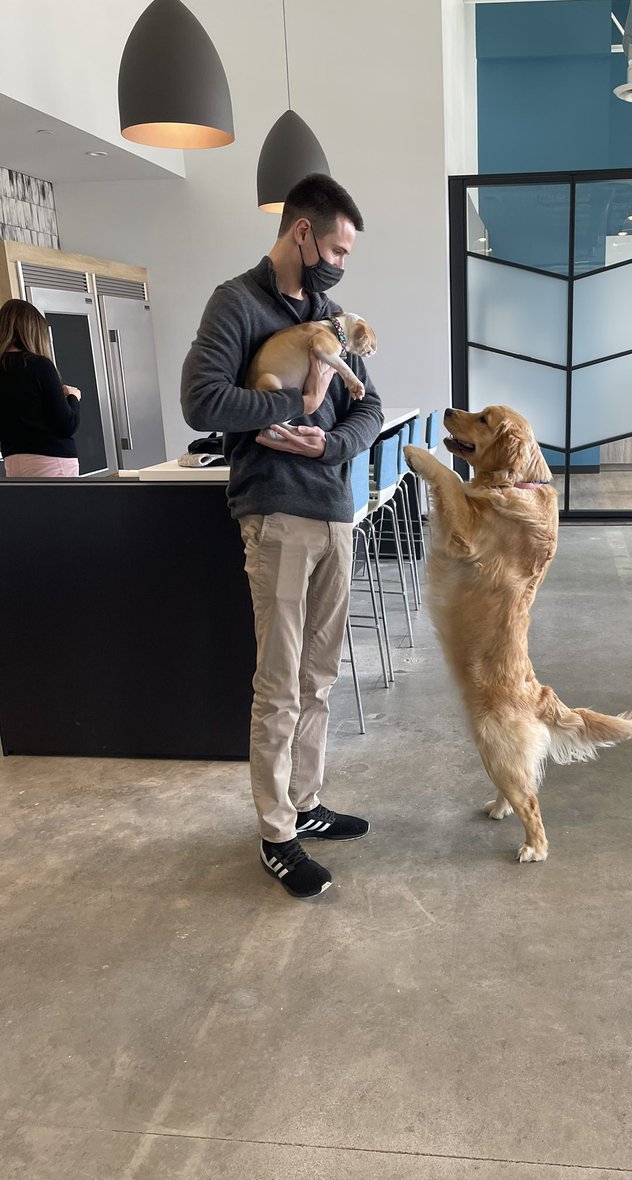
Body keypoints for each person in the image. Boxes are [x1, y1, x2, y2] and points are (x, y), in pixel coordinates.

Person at [181, 174, 383, 900]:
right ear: (302, 233)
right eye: (335, 247)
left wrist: (327, 446)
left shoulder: (330, 313)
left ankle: (305, 802)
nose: (339, 263)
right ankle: (276, 833)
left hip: (335, 510)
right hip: (274, 513)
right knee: (281, 685)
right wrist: (293, 403)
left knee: (319, 678)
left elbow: (372, 405)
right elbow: (200, 399)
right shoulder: (235, 303)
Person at [0, 299, 81, 477]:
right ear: (34, 331)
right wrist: (73, 397)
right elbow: (68, 424)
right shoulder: (40, 365)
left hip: (13, 462)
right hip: (52, 460)